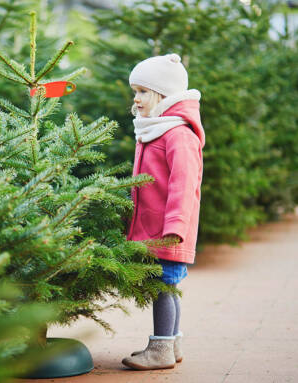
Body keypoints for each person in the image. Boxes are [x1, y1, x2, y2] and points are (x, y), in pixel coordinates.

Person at [121, 53, 205, 370]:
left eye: (143, 91)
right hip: (152, 227)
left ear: (163, 94)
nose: (136, 98)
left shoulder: (178, 134)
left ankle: (160, 350)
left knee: (162, 287)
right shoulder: (155, 127)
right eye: (135, 91)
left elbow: (185, 186)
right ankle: (173, 343)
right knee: (167, 286)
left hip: (168, 231)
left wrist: (175, 228)